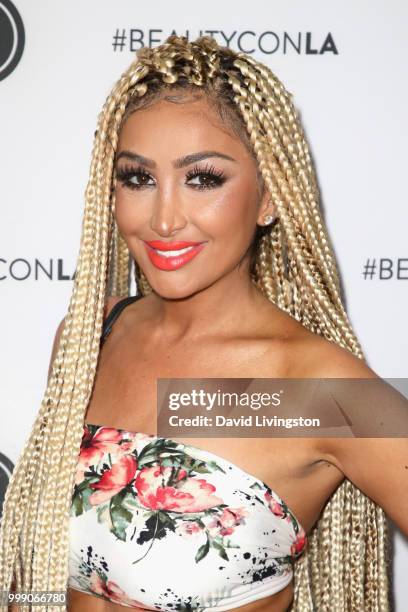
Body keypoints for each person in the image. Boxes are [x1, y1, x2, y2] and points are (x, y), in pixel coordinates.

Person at [1, 34, 407, 612]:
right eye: (138, 178)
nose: (165, 219)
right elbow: (45, 572)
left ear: (269, 198)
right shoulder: (91, 337)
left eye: (204, 179)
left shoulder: (315, 389)